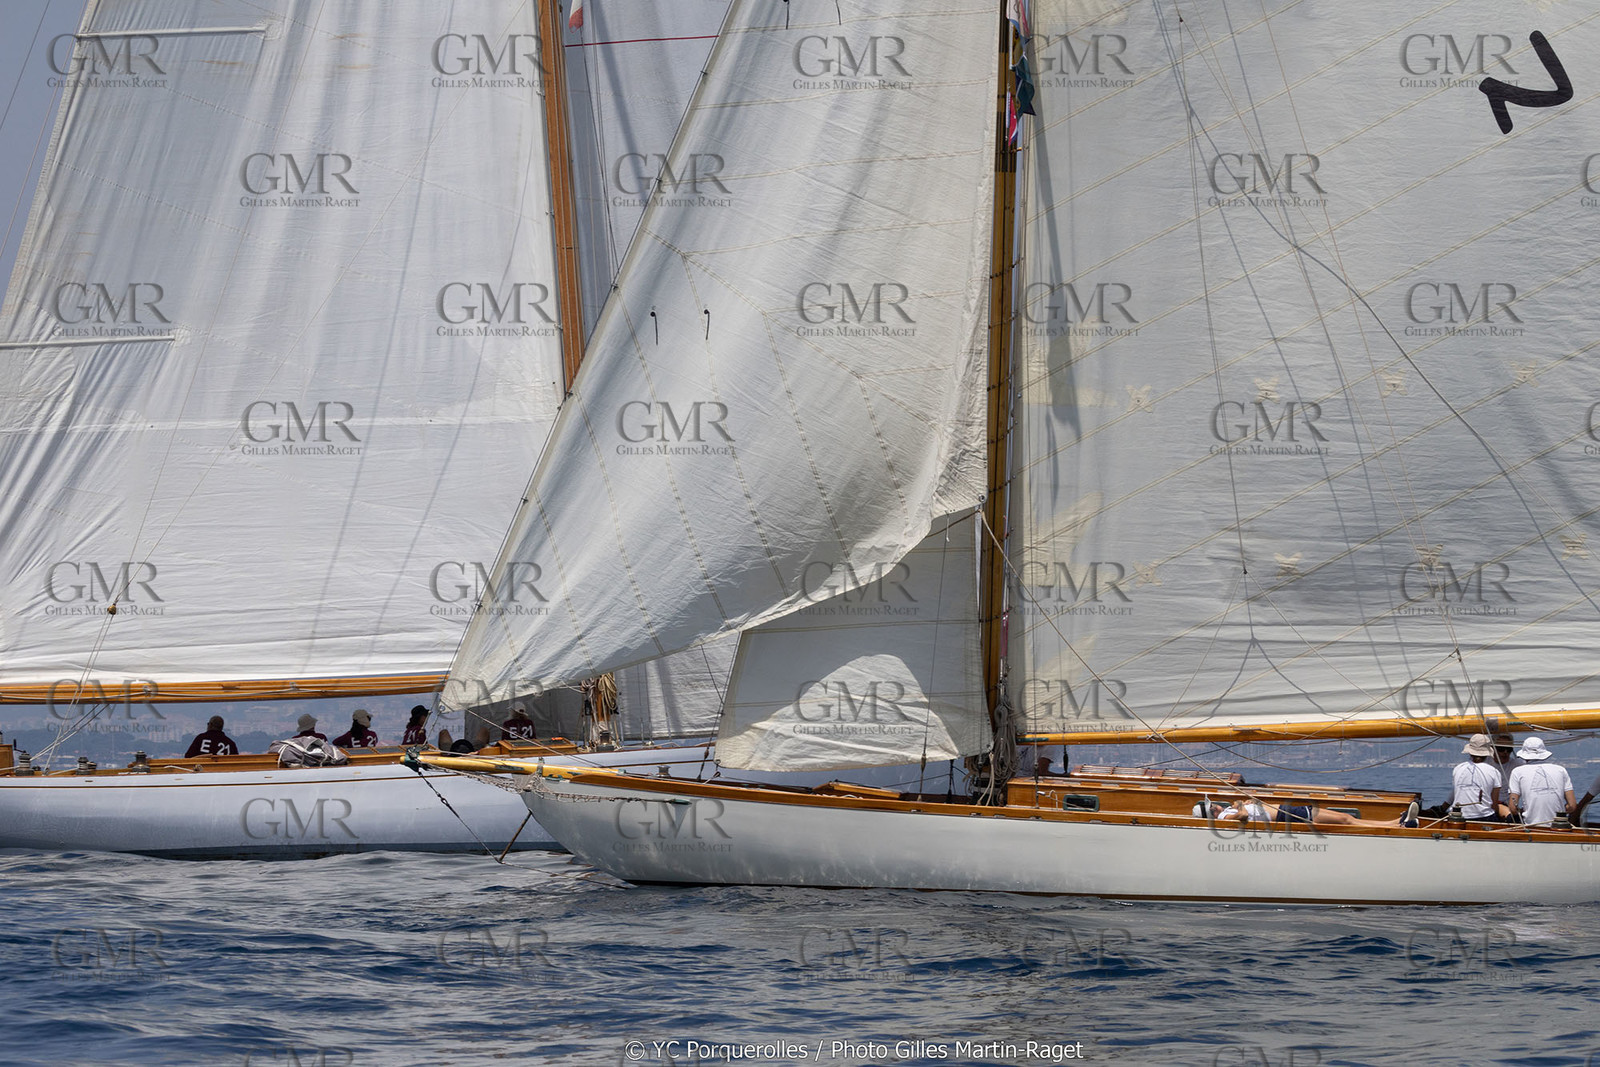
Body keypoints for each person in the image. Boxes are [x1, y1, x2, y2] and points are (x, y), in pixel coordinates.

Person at [1202, 797, 1419, 828]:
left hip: (1289, 811)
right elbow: (1243, 817)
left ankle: (1394, 822)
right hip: (1288, 816)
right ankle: (1397, 826)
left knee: (1347, 818)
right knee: (1345, 820)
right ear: (1211, 814)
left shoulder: (1227, 809)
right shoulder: (1225, 816)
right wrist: (1241, 805)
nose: (1216, 806)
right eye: (1212, 807)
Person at [1506, 736, 1576, 827]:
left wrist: (1526, 810)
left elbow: (1513, 808)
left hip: (1532, 826)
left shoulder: (1517, 772)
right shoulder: (1561, 770)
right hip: (1558, 825)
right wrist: (1561, 810)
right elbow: (1572, 806)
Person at [1447, 733, 1502, 821]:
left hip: (1457, 816)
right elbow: (1494, 804)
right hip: (1484, 816)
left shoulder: (1458, 768)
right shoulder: (1494, 772)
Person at [1490, 733, 1521, 818]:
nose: (1505, 752)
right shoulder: (1485, 765)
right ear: (1492, 748)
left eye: (1509, 749)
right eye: (1501, 749)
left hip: (1509, 808)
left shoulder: (1518, 765)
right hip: (1489, 808)